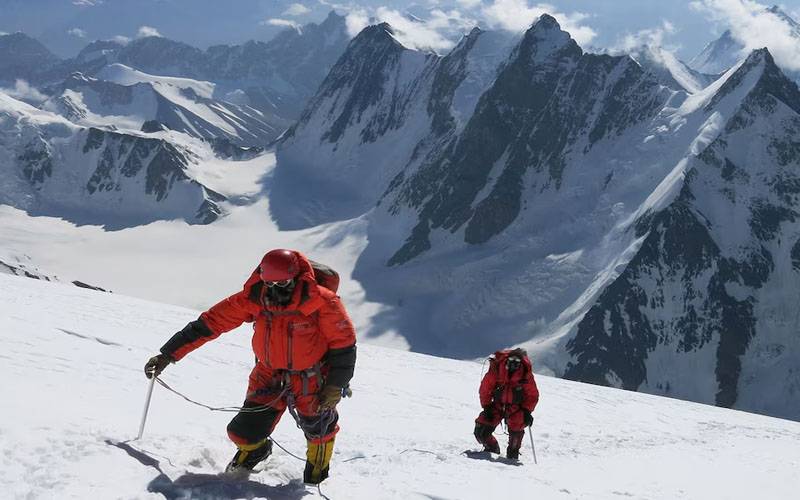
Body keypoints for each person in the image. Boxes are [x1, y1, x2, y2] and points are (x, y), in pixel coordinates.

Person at [144, 249, 357, 484]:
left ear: (297, 277)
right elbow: (210, 323)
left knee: (319, 430)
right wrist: (167, 355)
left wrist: (335, 385)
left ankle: (317, 474)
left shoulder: (321, 301)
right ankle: (256, 450)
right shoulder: (254, 298)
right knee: (243, 432)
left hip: (313, 377)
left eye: (283, 282)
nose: (276, 289)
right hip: (268, 375)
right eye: (270, 283)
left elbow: (344, 345)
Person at [473, 348, 539, 460]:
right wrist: (487, 407)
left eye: (517, 362)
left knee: (516, 434)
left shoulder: (525, 374)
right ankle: (492, 447)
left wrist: (527, 411)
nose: (513, 364)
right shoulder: (497, 370)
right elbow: (485, 389)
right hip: (496, 405)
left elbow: (532, 395)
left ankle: (513, 454)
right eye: (511, 360)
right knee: (481, 431)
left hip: (516, 409)